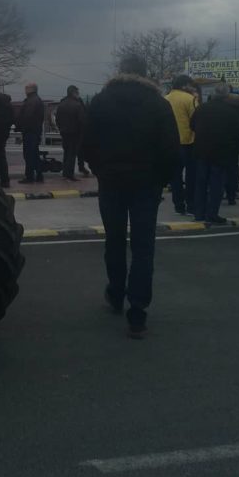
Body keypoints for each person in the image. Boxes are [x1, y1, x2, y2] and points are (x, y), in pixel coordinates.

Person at [82, 55, 178, 339]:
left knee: (114, 239)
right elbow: (171, 151)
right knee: (143, 246)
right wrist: (160, 180)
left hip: (111, 182)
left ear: (121, 72)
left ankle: (115, 293)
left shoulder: (101, 101)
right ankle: (137, 311)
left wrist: (100, 169)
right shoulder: (159, 105)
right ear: (146, 74)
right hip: (146, 185)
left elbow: (86, 144)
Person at [190, 83, 239, 224]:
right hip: (221, 153)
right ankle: (212, 214)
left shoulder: (201, 109)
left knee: (200, 184)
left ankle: (199, 213)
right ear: (226, 96)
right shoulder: (230, 112)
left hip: (201, 151)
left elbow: (192, 125)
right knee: (216, 185)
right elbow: (237, 134)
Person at [164, 75, 197, 215]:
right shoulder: (190, 99)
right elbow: (196, 120)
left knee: (175, 177)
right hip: (188, 142)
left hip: (170, 144)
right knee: (191, 176)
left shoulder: (165, 99)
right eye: (190, 85)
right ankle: (191, 205)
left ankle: (178, 205)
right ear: (184, 85)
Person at [16, 82, 46, 184]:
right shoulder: (36, 100)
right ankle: (39, 174)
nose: (25, 90)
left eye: (26, 88)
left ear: (31, 90)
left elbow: (27, 117)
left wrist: (20, 126)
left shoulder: (31, 101)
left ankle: (30, 176)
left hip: (30, 131)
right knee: (34, 154)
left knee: (29, 154)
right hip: (35, 130)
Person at [55, 85, 86, 181]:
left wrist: (61, 129)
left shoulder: (61, 104)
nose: (78, 94)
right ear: (74, 93)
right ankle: (70, 174)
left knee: (66, 153)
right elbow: (81, 120)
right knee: (72, 154)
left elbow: (57, 119)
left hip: (64, 132)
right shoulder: (77, 105)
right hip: (75, 133)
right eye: (77, 92)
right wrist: (82, 131)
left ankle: (65, 173)